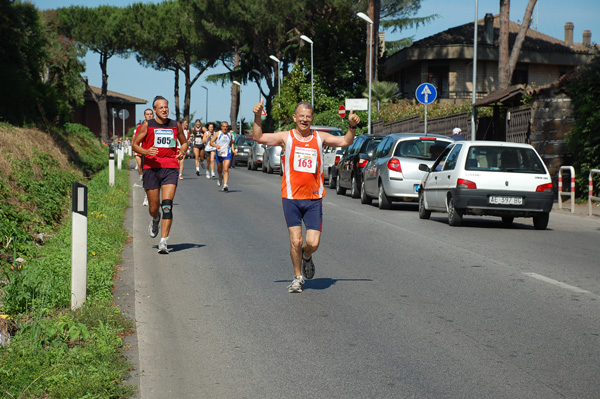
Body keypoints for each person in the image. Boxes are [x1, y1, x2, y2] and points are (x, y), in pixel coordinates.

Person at [252, 99, 360, 293]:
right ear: (295, 118)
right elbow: (258, 136)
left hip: (313, 199)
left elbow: (346, 141)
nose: (304, 119)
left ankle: (307, 257)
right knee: (296, 241)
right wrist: (257, 116)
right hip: (291, 197)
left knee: (312, 243)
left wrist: (351, 126)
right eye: (301, 116)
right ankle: (297, 277)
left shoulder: (320, 138)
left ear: (312, 119)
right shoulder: (286, 137)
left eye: (308, 116)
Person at [132, 96, 188, 254]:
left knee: (167, 205)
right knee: (154, 207)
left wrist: (182, 151)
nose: (164, 110)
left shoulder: (175, 125)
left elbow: (184, 142)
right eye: (161, 107)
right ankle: (155, 219)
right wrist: (146, 151)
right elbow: (135, 144)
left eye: (166, 107)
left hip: (170, 167)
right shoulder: (147, 125)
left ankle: (164, 241)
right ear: (155, 110)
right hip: (151, 168)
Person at [134, 108, 154, 206]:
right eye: (147, 114)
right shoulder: (141, 127)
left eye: (151, 114)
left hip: (157, 156)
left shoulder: (158, 126)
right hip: (146, 155)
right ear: (144, 116)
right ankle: (146, 196)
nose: (150, 116)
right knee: (147, 179)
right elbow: (136, 142)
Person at [210, 121, 238, 191]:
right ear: (221, 127)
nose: (225, 128)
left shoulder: (230, 134)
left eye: (226, 127)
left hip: (227, 153)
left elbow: (231, 143)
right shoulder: (217, 134)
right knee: (220, 169)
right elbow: (211, 142)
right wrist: (216, 146)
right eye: (224, 126)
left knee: (225, 169)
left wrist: (233, 150)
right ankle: (220, 178)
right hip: (219, 154)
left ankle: (225, 185)